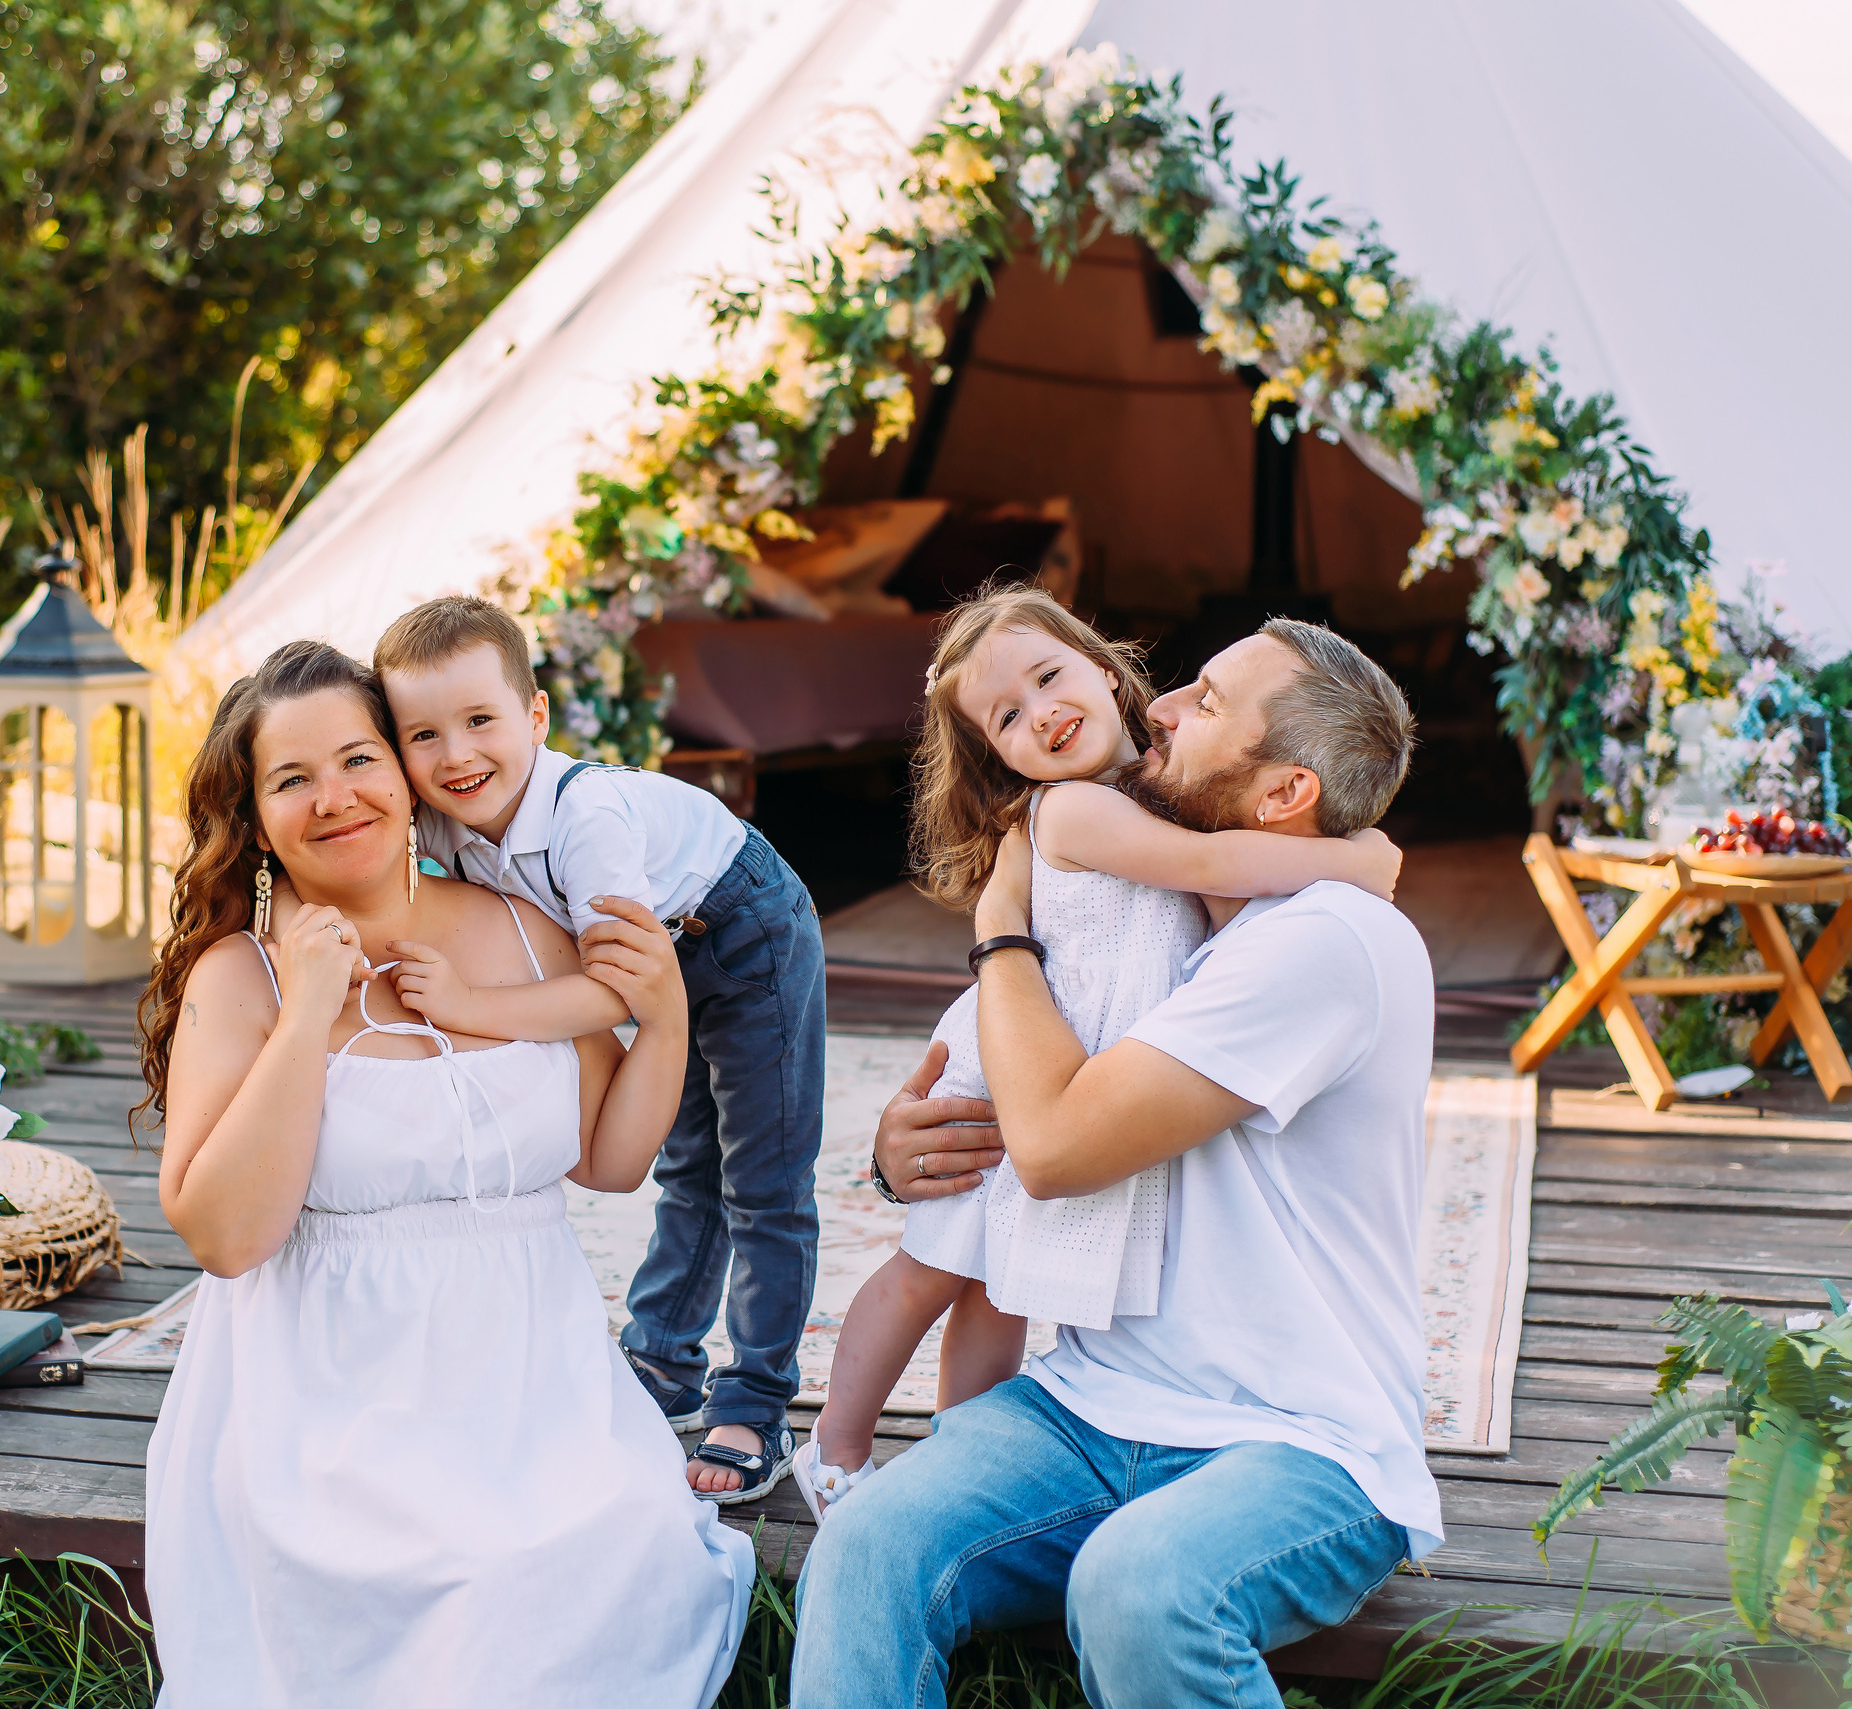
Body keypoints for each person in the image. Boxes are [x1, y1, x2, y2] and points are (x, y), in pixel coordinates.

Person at [792, 619, 1439, 1709]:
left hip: (1299, 1443)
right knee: (864, 1545)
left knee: (1138, 1585)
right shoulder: (1170, 918)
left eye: (1207, 701)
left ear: (1284, 794)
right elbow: (1033, 1085)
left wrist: (1001, 926)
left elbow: (1055, 1147)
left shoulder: (1327, 938)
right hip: (1093, 1407)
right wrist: (909, 1157)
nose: (1161, 705)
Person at [136, 640, 751, 1708]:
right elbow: (226, 1236)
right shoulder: (239, 976)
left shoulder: (523, 929)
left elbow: (610, 1161)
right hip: (326, 1415)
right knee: (477, 1591)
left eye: (357, 759)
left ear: (405, 773)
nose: (336, 798)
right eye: (292, 778)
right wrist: (305, 1015)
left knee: (601, 1556)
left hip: (534, 1389)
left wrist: (664, 1020)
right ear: (258, 820)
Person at [372, 596, 826, 1504]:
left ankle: (758, 1398)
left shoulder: (585, 819)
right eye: (423, 735)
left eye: (480, 720)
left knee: (765, 1172)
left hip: (745, 928)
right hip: (658, 950)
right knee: (690, 1165)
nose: (455, 754)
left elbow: (620, 992)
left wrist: (470, 1004)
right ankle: (664, 1360)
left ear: (536, 716)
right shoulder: (443, 823)